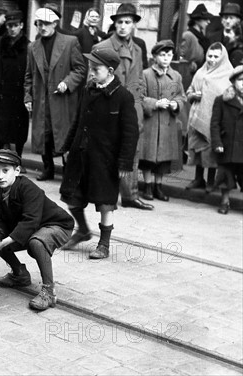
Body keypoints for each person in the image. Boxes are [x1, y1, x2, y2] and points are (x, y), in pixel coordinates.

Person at [59, 47, 139, 260]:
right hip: (80, 155)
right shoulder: (87, 90)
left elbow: (131, 134)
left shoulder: (123, 97)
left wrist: (124, 163)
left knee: (105, 203)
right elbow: (77, 121)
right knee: (72, 198)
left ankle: (104, 244)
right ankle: (83, 230)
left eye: (96, 68)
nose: (91, 72)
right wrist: (67, 147)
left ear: (110, 70)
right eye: (90, 68)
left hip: (105, 160)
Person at [0, 150, 74, 311]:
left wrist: (5, 241)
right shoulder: (1, 195)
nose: (0, 176)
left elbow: (30, 221)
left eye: (5, 170)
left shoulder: (28, 188)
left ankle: (48, 291)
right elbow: (2, 223)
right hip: (35, 228)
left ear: (17, 171)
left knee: (36, 243)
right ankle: (20, 275)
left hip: (57, 225)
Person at [93, 3, 152, 211]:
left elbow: (140, 78)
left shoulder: (138, 47)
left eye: (128, 22)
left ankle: (130, 195)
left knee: (131, 150)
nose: (123, 26)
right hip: (109, 107)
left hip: (132, 107)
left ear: (134, 24)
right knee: (109, 151)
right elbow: (93, 82)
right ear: (114, 24)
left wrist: (141, 101)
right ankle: (106, 196)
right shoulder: (102, 47)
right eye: (119, 22)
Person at [24, 7, 86, 181]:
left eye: (46, 23)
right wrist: (28, 96)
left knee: (65, 135)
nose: (42, 27)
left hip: (62, 99)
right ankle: (48, 168)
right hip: (42, 99)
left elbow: (80, 69)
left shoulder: (70, 42)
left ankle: (68, 170)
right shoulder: (33, 47)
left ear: (55, 23)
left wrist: (67, 82)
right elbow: (28, 75)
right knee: (45, 135)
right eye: (39, 23)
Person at [139, 40, 186, 202]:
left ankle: (159, 187)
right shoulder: (146, 74)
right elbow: (139, 96)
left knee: (163, 159)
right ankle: (147, 186)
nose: (166, 58)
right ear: (154, 57)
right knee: (148, 157)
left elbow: (181, 96)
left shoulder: (176, 76)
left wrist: (176, 104)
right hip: (150, 122)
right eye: (162, 55)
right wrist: (154, 103)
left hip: (167, 123)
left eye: (169, 55)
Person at [186, 43, 233, 191]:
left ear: (222, 57)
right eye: (210, 56)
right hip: (196, 117)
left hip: (214, 120)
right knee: (197, 149)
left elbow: (230, 97)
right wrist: (193, 95)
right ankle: (198, 178)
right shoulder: (201, 72)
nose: (212, 59)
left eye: (216, 56)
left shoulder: (228, 74)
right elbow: (190, 90)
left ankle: (211, 181)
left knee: (211, 150)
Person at [0, 10, 30, 162]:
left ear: (21, 26)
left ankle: (18, 158)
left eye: (15, 25)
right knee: (1, 126)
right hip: (1, 92)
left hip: (19, 93)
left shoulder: (28, 46)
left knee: (19, 128)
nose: (12, 29)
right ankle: (1, 157)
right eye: (9, 25)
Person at [211, 65, 243, 214]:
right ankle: (225, 201)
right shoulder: (222, 100)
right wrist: (217, 142)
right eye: (241, 80)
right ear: (234, 82)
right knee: (226, 174)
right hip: (227, 144)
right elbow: (215, 123)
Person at [181, 4, 213, 76]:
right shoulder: (188, 35)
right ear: (197, 20)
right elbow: (181, 58)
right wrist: (190, 65)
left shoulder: (202, 37)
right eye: (205, 19)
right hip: (189, 76)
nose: (208, 22)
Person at [208, 3, 242, 67]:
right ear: (221, 20)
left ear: (238, 21)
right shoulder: (212, 37)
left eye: (231, 18)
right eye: (225, 18)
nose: (228, 21)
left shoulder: (241, 39)